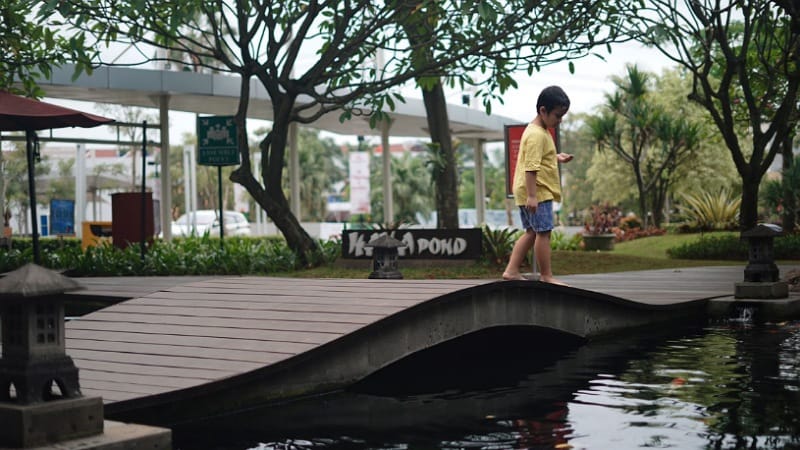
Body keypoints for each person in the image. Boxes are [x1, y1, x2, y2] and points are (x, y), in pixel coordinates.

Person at [502, 85, 574, 284]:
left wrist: (556, 157)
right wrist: (533, 196)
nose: (559, 121)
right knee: (543, 232)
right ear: (543, 110)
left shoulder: (539, 130)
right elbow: (531, 167)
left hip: (528, 189)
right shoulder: (536, 135)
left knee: (532, 232)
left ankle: (511, 270)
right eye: (557, 116)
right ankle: (546, 276)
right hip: (537, 191)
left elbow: (539, 158)